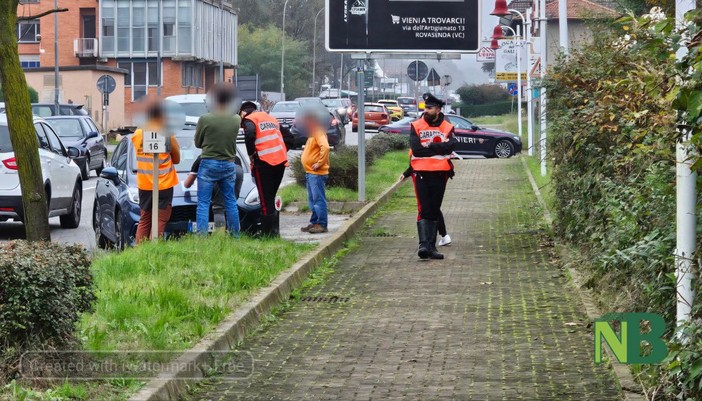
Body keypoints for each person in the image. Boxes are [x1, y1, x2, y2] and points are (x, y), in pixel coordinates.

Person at [409, 93, 458, 260]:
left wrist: (430, 145)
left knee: (434, 209)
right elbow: (416, 150)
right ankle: (423, 245)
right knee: (424, 208)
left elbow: (451, 146)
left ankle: (431, 247)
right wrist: (439, 147)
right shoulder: (416, 125)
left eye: (429, 108)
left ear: (438, 109)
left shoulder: (447, 126)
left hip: (440, 172)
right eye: (425, 108)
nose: (426, 110)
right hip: (421, 172)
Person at [240, 101, 293, 237]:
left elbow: (250, 135)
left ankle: (267, 234)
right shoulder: (270, 118)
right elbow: (290, 137)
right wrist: (281, 151)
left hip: (263, 163)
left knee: (265, 200)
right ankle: (274, 232)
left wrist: (252, 155)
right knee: (271, 198)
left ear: (243, 112)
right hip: (280, 163)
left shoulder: (249, 119)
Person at [194, 84, 241, 236]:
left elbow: (198, 143)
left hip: (208, 163)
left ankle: (201, 237)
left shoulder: (205, 119)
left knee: (203, 203)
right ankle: (235, 236)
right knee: (230, 202)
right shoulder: (236, 119)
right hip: (228, 163)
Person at [132, 100, 181, 243]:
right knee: (160, 219)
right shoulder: (167, 132)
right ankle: (154, 249)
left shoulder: (138, 133)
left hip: (145, 184)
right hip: (163, 183)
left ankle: (140, 252)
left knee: (145, 219)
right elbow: (177, 159)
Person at [400, 163, 452, 246]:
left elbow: (416, 163)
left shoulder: (417, 151)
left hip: (424, 177)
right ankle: (441, 236)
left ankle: (426, 241)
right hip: (435, 175)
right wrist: (406, 173)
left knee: (425, 209)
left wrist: (406, 173)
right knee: (433, 208)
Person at [300, 107, 330, 234]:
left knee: (318, 200)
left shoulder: (318, 131)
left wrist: (319, 163)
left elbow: (326, 147)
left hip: (317, 174)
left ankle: (322, 224)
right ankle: (314, 222)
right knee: (313, 200)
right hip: (310, 173)